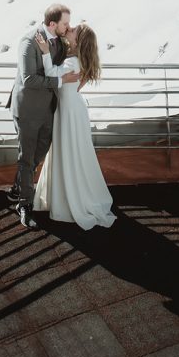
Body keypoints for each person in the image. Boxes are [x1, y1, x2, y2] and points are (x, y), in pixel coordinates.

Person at [34, 23, 116, 230]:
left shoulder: (71, 61)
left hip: (69, 112)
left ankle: (70, 197)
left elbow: (51, 74)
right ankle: (72, 191)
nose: (69, 29)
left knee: (69, 151)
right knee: (74, 152)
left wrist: (44, 52)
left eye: (73, 30)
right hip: (72, 109)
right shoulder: (75, 59)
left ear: (77, 41)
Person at [8, 4, 80, 229]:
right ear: (52, 24)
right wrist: (61, 81)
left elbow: (57, 67)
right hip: (28, 111)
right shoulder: (29, 42)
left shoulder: (58, 41)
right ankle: (24, 205)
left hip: (48, 110)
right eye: (65, 23)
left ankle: (19, 185)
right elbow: (29, 79)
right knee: (26, 158)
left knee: (39, 152)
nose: (68, 26)